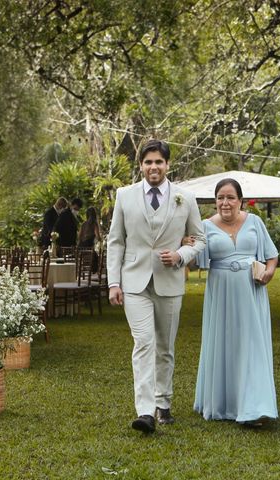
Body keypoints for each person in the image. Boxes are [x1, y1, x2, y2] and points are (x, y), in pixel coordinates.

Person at [106, 139, 206, 433]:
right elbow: (116, 241)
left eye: (158, 162)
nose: (153, 167)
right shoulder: (124, 196)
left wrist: (180, 255)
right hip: (134, 281)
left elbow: (199, 239)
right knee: (144, 343)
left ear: (167, 165)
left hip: (170, 280)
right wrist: (114, 282)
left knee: (165, 346)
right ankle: (145, 411)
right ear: (140, 165)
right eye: (148, 162)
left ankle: (164, 402)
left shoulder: (185, 198)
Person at [193, 178, 279, 426]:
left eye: (230, 197)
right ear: (215, 201)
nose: (225, 202)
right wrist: (185, 245)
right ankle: (224, 403)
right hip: (220, 295)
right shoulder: (205, 227)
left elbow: (272, 256)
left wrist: (269, 273)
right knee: (223, 344)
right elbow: (190, 262)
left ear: (241, 200)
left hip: (251, 293)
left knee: (251, 346)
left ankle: (255, 407)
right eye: (220, 197)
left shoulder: (255, 222)